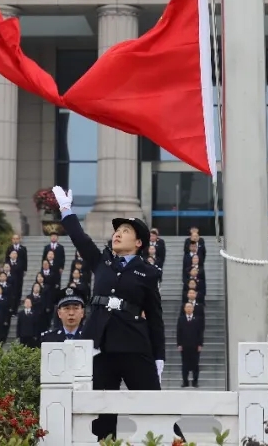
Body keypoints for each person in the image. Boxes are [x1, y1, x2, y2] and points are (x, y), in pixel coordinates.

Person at [53, 186, 165, 441]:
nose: (118, 234)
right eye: (117, 230)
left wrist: (159, 355)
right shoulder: (102, 262)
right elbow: (81, 239)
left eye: (125, 231)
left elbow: (155, 317)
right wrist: (66, 210)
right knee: (102, 416)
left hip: (134, 345)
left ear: (138, 243)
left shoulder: (148, 273)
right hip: (100, 346)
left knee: (155, 410)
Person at [176, 301, 204, 387]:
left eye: (190, 307)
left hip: (195, 346)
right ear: (184, 309)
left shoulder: (197, 319)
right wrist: (179, 344)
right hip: (184, 346)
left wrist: (200, 344)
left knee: (195, 364)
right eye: (187, 307)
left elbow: (200, 333)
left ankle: (195, 382)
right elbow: (179, 332)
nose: (188, 309)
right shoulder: (181, 319)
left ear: (193, 309)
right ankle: (185, 382)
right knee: (185, 364)